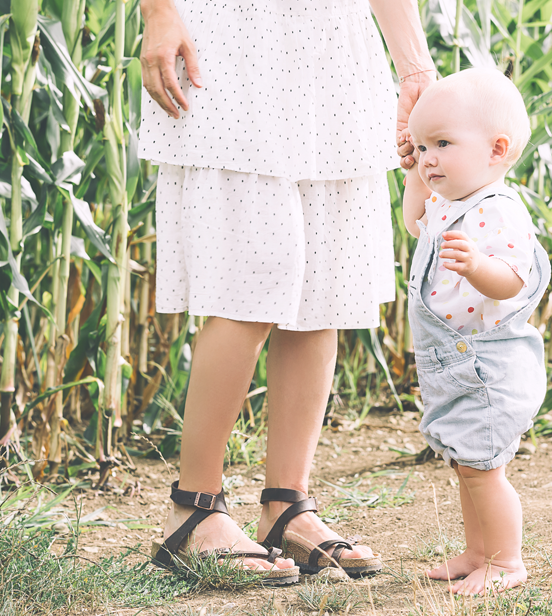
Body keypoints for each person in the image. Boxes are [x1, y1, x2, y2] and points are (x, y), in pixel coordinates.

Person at [137, 0, 435, 585]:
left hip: (338, 54)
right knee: (248, 281)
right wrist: (158, 11)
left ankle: (286, 506)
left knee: (325, 287)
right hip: (233, 40)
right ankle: (194, 510)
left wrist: (416, 69)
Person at [401, 68, 551, 595]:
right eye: (421, 146)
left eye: (442, 144)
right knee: (467, 464)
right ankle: (477, 551)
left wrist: (477, 266)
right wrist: (414, 177)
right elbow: (415, 224)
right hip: (457, 362)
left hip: (487, 365)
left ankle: (506, 561)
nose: (428, 157)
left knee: (485, 470)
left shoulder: (498, 211)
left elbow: (512, 281)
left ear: (496, 149)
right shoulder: (452, 204)